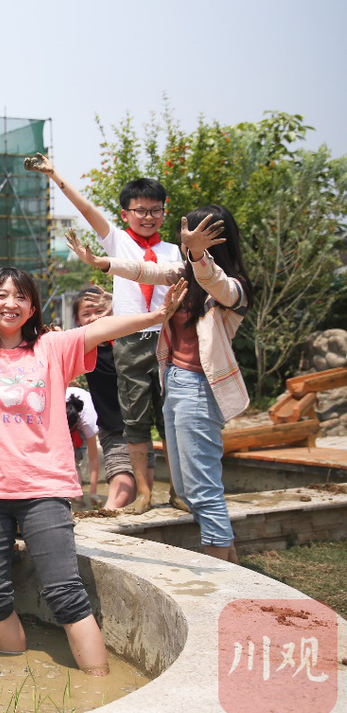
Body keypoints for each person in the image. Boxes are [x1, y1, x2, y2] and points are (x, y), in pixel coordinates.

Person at [0, 259, 184, 674]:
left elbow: (102, 329)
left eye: (20, 297)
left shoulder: (52, 348)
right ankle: (14, 675)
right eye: (1, 295)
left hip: (45, 490)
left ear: (33, 308)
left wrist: (157, 315)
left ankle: (97, 683)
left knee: (65, 594)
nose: (11, 303)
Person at [66, 205, 251, 563]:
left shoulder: (233, 287)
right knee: (187, 487)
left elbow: (213, 280)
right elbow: (144, 270)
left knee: (203, 489)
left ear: (217, 240)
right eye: (186, 234)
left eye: (195, 235)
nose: (186, 240)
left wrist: (196, 253)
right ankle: (230, 563)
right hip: (175, 384)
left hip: (201, 388)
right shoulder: (184, 276)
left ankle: (222, 574)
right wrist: (100, 262)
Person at [27, 153, 180, 513]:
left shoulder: (174, 251)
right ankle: (144, 493)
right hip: (130, 341)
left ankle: (179, 490)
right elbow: (86, 209)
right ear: (125, 214)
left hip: (168, 339)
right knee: (135, 419)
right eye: (140, 210)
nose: (148, 217)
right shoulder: (118, 241)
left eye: (155, 210)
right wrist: (55, 175)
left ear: (164, 212)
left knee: (171, 418)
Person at [71, 286, 139, 509]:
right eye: (86, 314)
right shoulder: (83, 349)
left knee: (137, 484)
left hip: (140, 423)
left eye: (99, 311)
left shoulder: (128, 342)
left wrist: (118, 304)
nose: (94, 318)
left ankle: (111, 511)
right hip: (113, 428)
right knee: (122, 475)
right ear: (78, 321)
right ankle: (108, 511)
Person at [64, 387, 100, 505]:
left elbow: (93, 458)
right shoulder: (56, 407)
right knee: (67, 457)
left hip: (81, 416)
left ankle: (78, 497)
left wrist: (93, 491)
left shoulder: (88, 421)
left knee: (76, 456)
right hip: (63, 412)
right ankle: (75, 495)